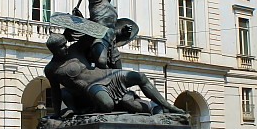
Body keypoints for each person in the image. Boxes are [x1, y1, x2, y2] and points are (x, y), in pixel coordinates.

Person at [44, 33, 184, 116]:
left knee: (140, 77)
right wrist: (57, 113)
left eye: (65, 44)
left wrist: (77, 26)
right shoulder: (52, 69)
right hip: (92, 87)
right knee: (108, 105)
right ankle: (152, 108)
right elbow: (56, 93)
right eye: (61, 47)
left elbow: (96, 32)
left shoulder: (75, 49)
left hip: (107, 74)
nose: (65, 47)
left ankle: (167, 106)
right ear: (53, 50)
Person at [72, 0, 136, 69]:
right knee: (101, 62)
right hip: (99, 38)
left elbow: (111, 30)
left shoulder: (112, 9)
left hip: (111, 41)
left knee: (119, 71)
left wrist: (122, 31)